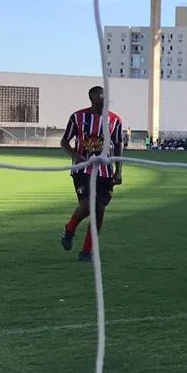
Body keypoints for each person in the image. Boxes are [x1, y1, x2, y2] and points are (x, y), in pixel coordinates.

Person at [59, 86, 124, 263]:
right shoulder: (78, 117)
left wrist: (118, 170)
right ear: (92, 99)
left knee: (99, 210)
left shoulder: (114, 120)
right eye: (99, 99)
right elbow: (64, 141)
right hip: (83, 169)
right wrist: (75, 156)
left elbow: (118, 145)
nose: (103, 102)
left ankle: (87, 251)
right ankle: (70, 229)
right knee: (89, 203)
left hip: (104, 171)